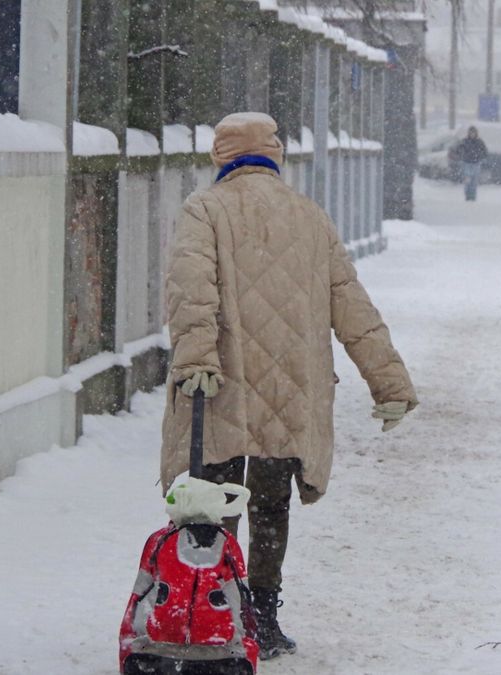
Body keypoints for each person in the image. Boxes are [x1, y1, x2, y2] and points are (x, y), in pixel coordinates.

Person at [160, 112, 418, 660]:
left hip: (225, 383)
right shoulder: (309, 217)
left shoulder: (204, 210)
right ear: (274, 155)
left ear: (221, 157)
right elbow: (351, 303)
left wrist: (197, 357)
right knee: (271, 506)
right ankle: (265, 617)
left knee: (215, 501)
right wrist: (387, 380)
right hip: (292, 386)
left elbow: (191, 291)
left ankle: (216, 611)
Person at [450, 126, 488, 201]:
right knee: (467, 180)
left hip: (476, 163)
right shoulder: (465, 141)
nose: (472, 134)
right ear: (469, 133)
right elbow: (457, 149)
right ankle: (467, 196)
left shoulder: (479, 142)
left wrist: (481, 157)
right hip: (466, 163)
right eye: (471, 132)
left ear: (476, 133)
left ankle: (473, 197)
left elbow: (485, 152)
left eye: (473, 132)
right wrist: (460, 155)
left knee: (474, 181)